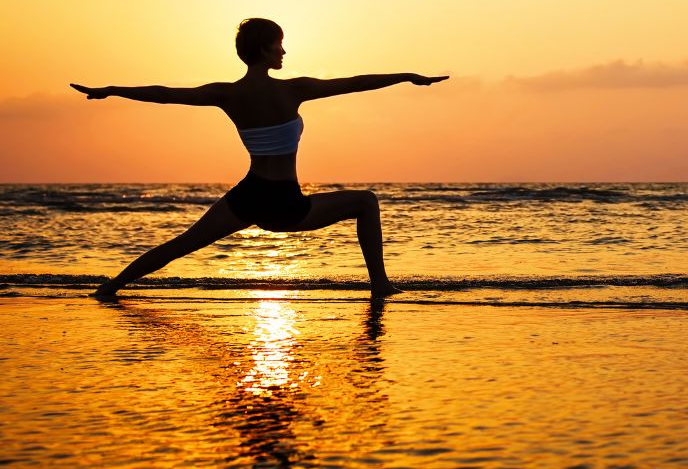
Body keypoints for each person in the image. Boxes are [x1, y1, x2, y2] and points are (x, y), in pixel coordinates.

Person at [71, 18, 447, 297]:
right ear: (264, 50)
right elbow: (353, 83)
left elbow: (165, 93)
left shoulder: (227, 93)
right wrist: (406, 76)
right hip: (283, 201)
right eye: (278, 45)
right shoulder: (293, 91)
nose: (283, 51)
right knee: (365, 202)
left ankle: (111, 287)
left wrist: (112, 90)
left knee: (182, 244)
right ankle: (379, 284)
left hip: (248, 195)